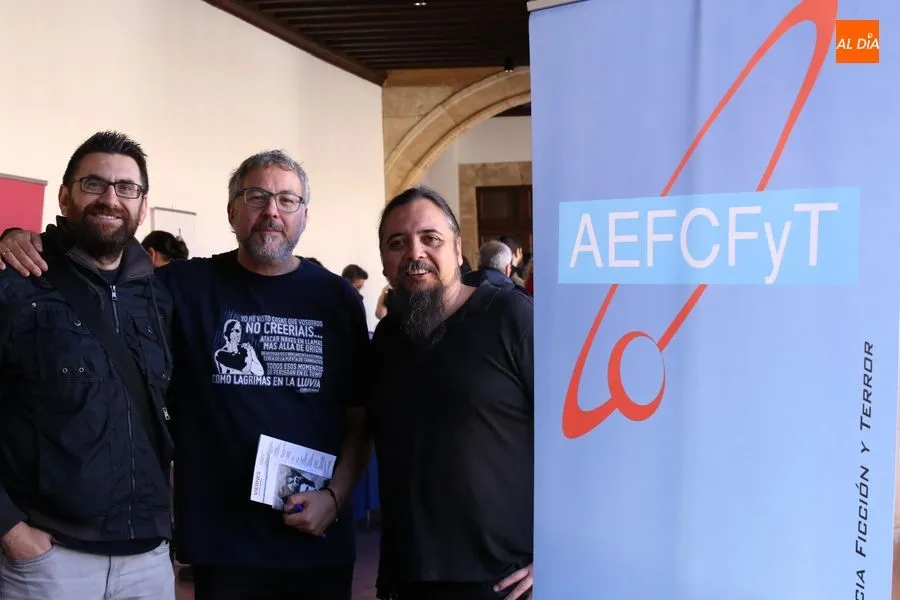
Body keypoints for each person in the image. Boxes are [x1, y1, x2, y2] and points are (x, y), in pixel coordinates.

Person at [0, 149, 371, 600]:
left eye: (287, 200)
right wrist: (17, 239)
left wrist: (335, 498)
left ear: (304, 214)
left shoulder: (337, 299)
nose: (272, 211)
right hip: (225, 544)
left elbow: (360, 416)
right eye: (255, 196)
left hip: (316, 537)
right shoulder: (180, 285)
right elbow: (101, 264)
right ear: (232, 211)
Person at [0, 131, 175, 599]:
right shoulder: (17, 285)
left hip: (149, 559)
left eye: (126, 187)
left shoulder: (160, 297)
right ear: (64, 195)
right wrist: (10, 529)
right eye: (93, 184)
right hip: (49, 561)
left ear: (142, 204)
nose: (110, 199)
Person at [370, 185, 534, 600]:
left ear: (458, 250)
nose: (415, 253)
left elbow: (576, 435)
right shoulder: (386, 338)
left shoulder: (510, 316)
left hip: (502, 581)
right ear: (384, 260)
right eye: (397, 243)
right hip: (408, 578)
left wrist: (556, 552)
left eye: (431, 238)